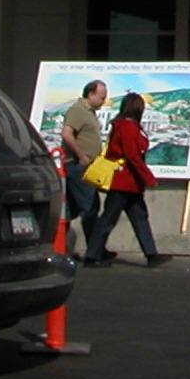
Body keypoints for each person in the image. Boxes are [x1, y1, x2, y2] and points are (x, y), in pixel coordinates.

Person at [89, 92, 171, 268]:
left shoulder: (122, 125)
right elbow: (133, 155)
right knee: (110, 218)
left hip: (127, 181)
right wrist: (148, 178)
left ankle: (151, 254)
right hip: (125, 181)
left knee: (137, 216)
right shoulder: (128, 128)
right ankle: (92, 255)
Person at [59, 78, 110, 253]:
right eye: (102, 97)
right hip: (78, 166)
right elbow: (67, 134)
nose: (104, 102)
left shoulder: (89, 112)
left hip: (87, 167)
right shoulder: (78, 110)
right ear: (91, 94)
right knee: (90, 207)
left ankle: (63, 247)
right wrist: (81, 155)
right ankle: (95, 251)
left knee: (73, 209)